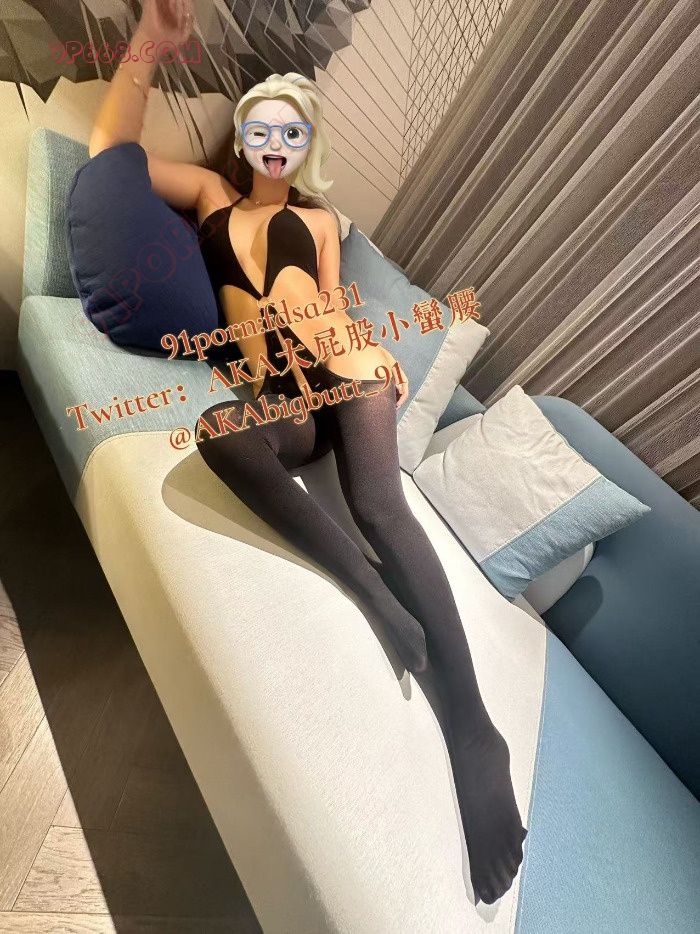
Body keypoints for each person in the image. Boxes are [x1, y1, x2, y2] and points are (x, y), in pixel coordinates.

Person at [89, 0, 527, 906]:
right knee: (220, 434)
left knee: (377, 504)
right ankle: (377, 597)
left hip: (344, 368)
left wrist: (372, 356)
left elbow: (333, 304)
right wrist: (151, 45)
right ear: (243, 140)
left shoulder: (323, 221)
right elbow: (110, 158)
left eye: (293, 132)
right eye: (263, 129)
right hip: (278, 398)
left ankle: (475, 734)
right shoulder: (209, 199)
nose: (276, 144)